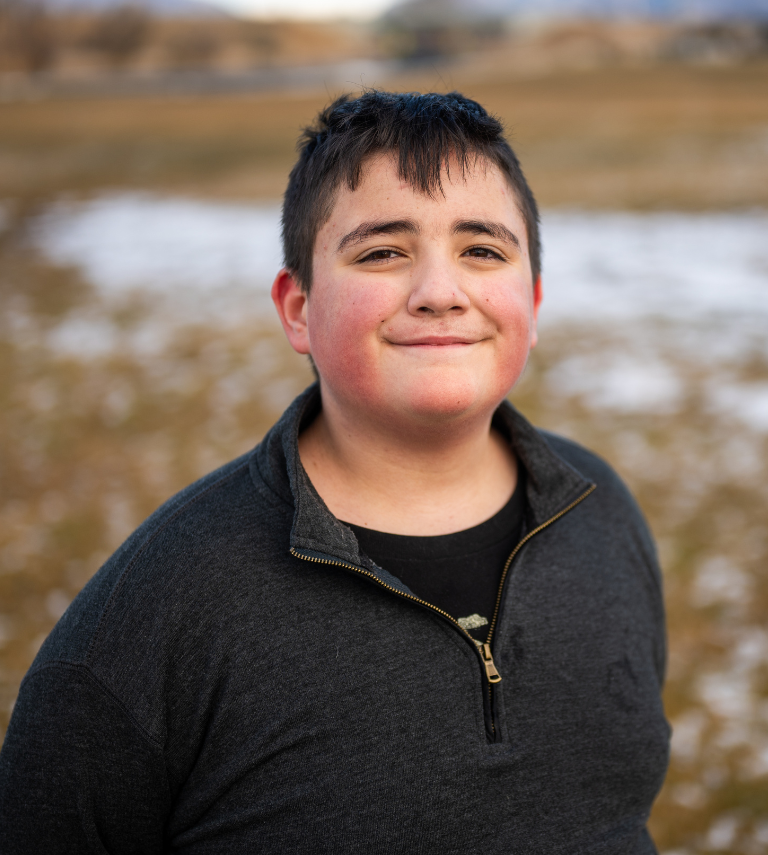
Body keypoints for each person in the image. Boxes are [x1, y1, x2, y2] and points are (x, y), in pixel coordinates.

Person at [0, 90, 670, 853]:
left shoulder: (599, 511)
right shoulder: (160, 612)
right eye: (383, 251)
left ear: (534, 300)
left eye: (482, 250)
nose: (441, 293)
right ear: (297, 308)